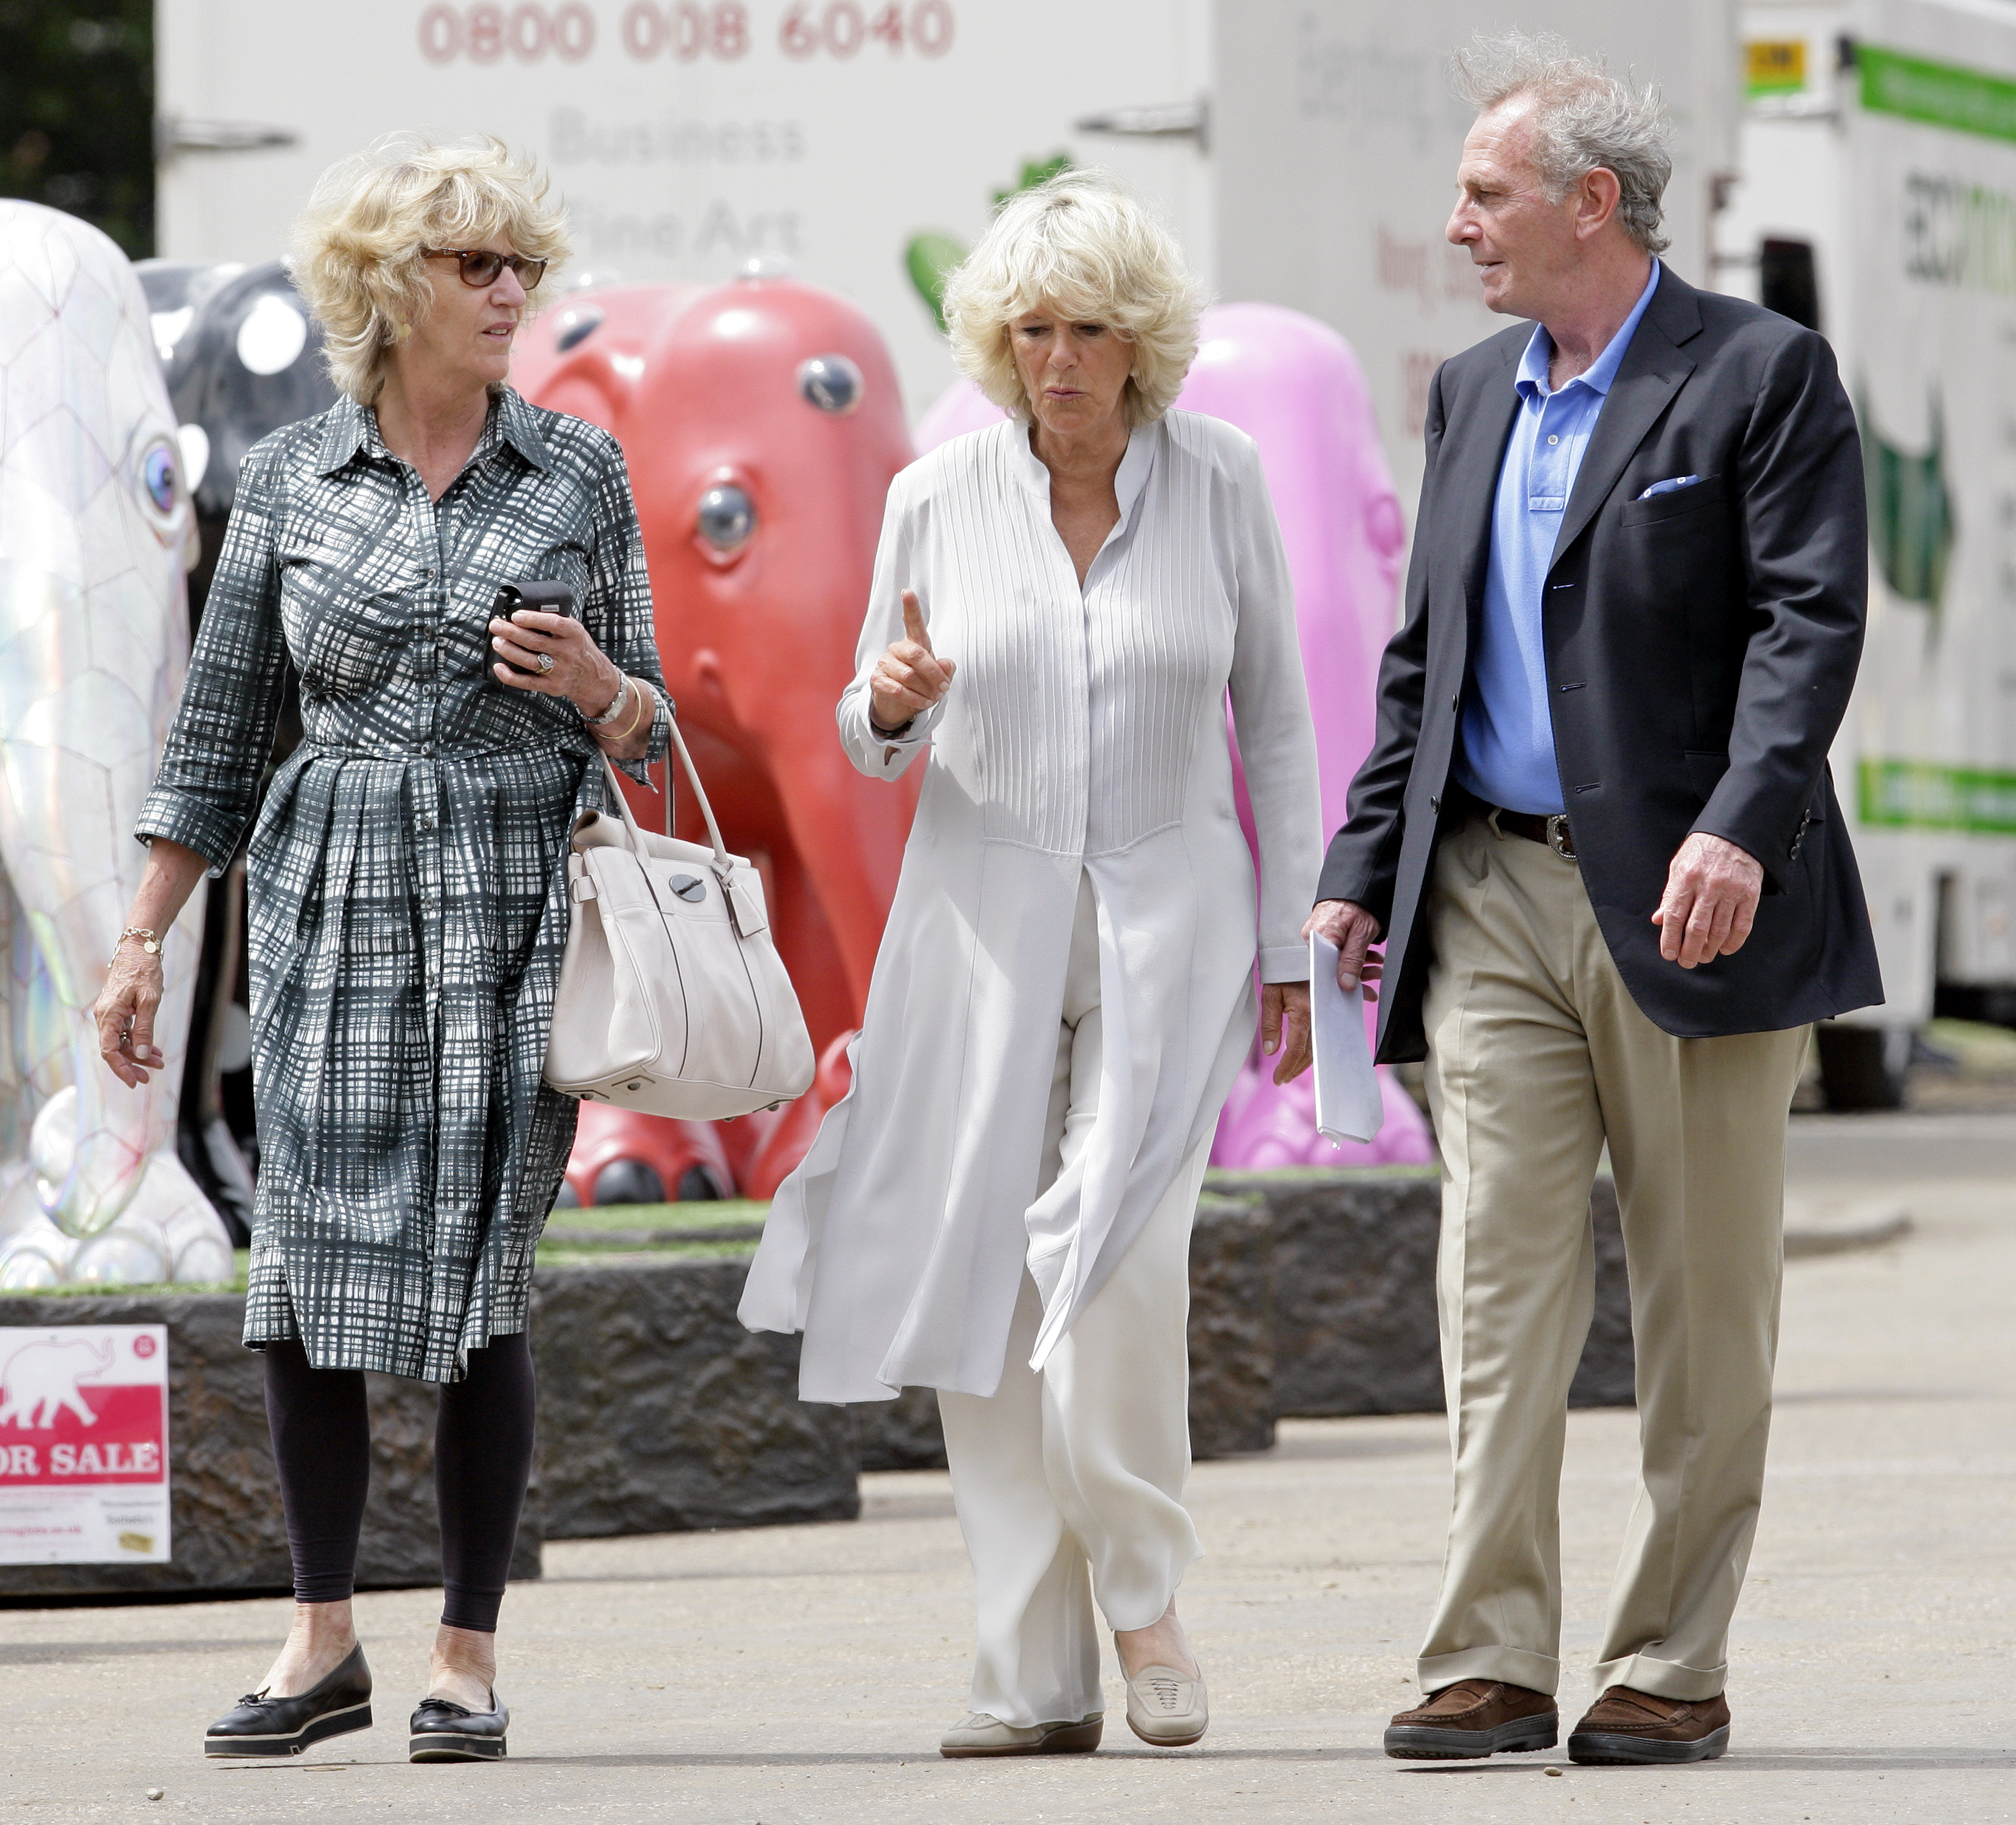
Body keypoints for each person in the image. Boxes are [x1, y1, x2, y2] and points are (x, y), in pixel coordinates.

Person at [1309, 32, 1881, 1768]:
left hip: (1698, 903)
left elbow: (1810, 624)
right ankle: (1489, 1653)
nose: (1462, 222)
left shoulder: (1765, 374)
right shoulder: (1471, 388)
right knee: (1496, 1285)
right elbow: (1430, 653)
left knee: (1703, 1310)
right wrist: (1361, 866)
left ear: (1592, 203)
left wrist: (1741, 825)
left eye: (1487, 193)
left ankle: (1672, 1660)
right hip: (1488, 889)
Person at [94, 135, 672, 1763]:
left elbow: (654, 736)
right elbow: (214, 743)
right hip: (330, 898)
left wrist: (590, 687)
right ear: (384, 289)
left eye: (518, 267)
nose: (507, 294)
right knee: (302, 1275)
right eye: (471, 266)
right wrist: (143, 940)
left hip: (503, 896)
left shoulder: (578, 472)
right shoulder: (286, 479)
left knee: (481, 1278)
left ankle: (467, 1653)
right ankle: (320, 1635)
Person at [740, 169, 1322, 1757]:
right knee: (989, 1299)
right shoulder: (936, 494)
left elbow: (1273, 718)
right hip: (977, 926)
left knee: (1121, 1265)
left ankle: (1144, 1597)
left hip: (1173, 916)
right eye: (1030, 330)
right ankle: (1027, 1674)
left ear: (1143, 342)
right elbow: (864, 742)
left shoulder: (1223, 479)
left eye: (1089, 330)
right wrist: (900, 697)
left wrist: (1290, 940)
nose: (1057, 359)